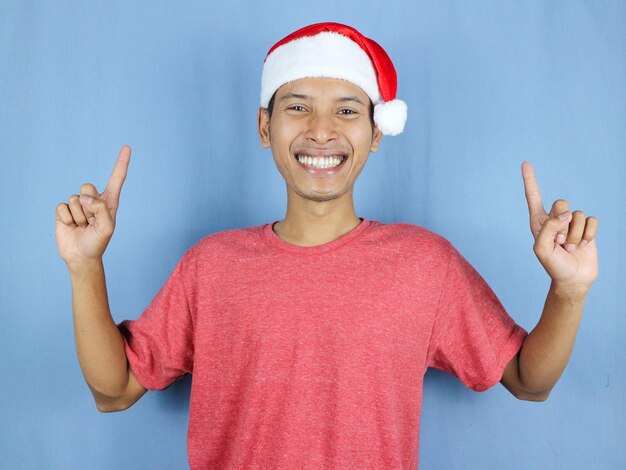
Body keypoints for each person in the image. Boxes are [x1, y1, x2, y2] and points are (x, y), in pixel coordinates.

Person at [55, 22, 599, 469]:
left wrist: (568, 291)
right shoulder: (211, 265)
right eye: (297, 107)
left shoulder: (424, 264)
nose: (321, 131)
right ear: (264, 126)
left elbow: (529, 382)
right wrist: (84, 266)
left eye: (345, 109)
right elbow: (115, 390)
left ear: (375, 131)